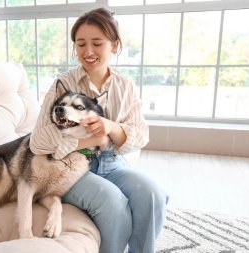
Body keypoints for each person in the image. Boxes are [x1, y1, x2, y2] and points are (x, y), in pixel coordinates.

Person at [30, 7, 168, 253]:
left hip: (111, 162)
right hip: (69, 166)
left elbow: (141, 134)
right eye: (81, 44)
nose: (88, 51)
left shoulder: (124, 85)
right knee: (113, 203)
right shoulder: (63, 84)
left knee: (153, 193)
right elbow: (38, 141)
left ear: (114, 45)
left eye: (97, 43)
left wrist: (111, 127)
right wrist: (84, 141)